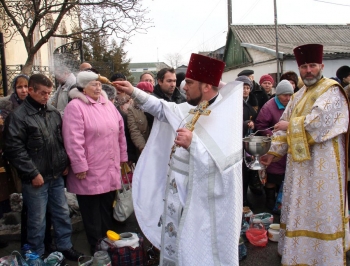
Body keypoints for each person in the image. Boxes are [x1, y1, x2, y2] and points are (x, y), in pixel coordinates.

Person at [113, 53, 243, 266]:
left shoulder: (225, 117)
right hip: (178, 195)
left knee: (197, 251)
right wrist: (132, 91)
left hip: (201, 204)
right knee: (178, 247)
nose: (183, 87)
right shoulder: (190, 109)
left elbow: (227, 169)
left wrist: (194, 144)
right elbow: (162, 108)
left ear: (207, 87)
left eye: (189, 83)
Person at [261, 44, 350, 265]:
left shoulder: (332, 90)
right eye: (304, 66)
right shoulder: (298, 95)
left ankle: (325, 258)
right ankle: (299, 255)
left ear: (321, 65)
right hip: (298, 170)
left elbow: (319, 124)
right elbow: (281, 130)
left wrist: (288, 126)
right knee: (300, 210)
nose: (308, 70)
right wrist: (272, 153)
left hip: (324, 167)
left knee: (321, 213)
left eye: (312, 65)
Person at [3, 74, 83, 260]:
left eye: (49, 93)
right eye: (43, 93)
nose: (47, 96)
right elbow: (14, 149)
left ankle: (65, 246)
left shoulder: (53, 113)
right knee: (37, 220)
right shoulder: (18, 117)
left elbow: (60, 141)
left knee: (62, 214)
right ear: (31, 90)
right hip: (36, 179)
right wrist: (32, 173)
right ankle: (36, 255)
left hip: (55, 175)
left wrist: (64, 163)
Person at [63, 71, 128, 255]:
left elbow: (120, 132)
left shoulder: (107, 104)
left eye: (99, 84)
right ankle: (96, 247)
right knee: (91, 213)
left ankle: (108, 243)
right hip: (90, 169)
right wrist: (79, 165)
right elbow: (72, 139)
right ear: (83, 87)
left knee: (107, 209)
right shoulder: (75, 106)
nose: (98, 87)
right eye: (93, 84)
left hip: (109, 167)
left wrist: (123, 157)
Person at [255, 80, 294, 210]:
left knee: (286, 179)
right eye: (284, 95)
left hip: (289, 149)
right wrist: (272, 134)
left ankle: (282, 205)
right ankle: (270, 204)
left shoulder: (294, 105)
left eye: (290, 95)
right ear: (278, 94)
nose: (287, 98)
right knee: (272, 179)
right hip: (274, 148)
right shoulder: (268, 107)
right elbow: (260, 126)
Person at [236, 76, 257, 207]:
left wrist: (253, 124)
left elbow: (255, 120)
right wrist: (244, 124)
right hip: (235, 146)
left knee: (245, 175)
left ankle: (243, 200)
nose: (245, 90)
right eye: (243, 88)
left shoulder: (248, 105)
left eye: (248, 88)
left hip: (245, 146)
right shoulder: (233, 104)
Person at [127, 82, 152, 156]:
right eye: (143, 92)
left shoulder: (155, 108)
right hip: (143, 149)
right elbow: (134, 131)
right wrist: (143, 148)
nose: (146, 95)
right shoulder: (132, 110)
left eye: (148, 92)